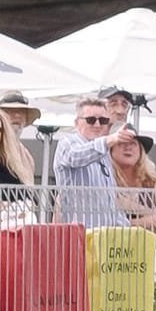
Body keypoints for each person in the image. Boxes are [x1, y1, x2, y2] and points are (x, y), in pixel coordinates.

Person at [53, 95, 126, 228]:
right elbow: (75, 157)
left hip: (104, 235)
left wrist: (125, 228)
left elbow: (110, 200)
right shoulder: (67, 142)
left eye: (103, 120)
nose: (97, 125)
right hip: (78, 234)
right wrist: (108, 140)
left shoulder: (104, 153)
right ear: (77, 123)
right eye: (91, 120)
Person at [108, 126, 156, 234]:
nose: (128, 147)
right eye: (122, 143)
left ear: (141, 150)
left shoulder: (152, 181)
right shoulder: (105, 178)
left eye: (133, 143)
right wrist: (141, 221)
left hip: (148, 243)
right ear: (110, 149)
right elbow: (104, 221)